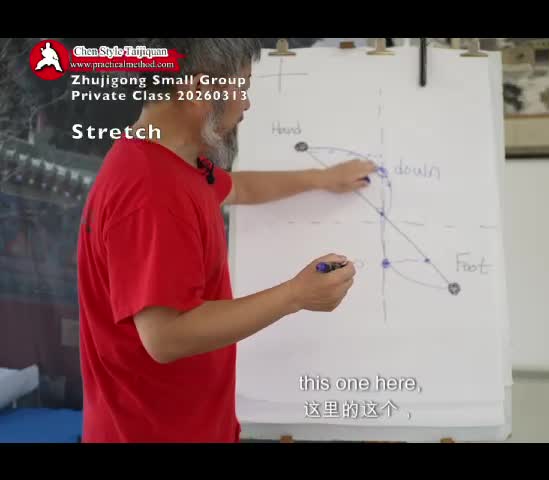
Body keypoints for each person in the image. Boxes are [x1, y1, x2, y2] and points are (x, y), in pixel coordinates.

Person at [76, 38, 376, 443]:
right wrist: (296, 295)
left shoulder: (172, 162)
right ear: (200, 88)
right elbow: (165, 337)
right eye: (243, 86)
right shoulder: (151, 191)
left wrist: (321, 179)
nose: (246, 105)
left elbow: (239, 188)